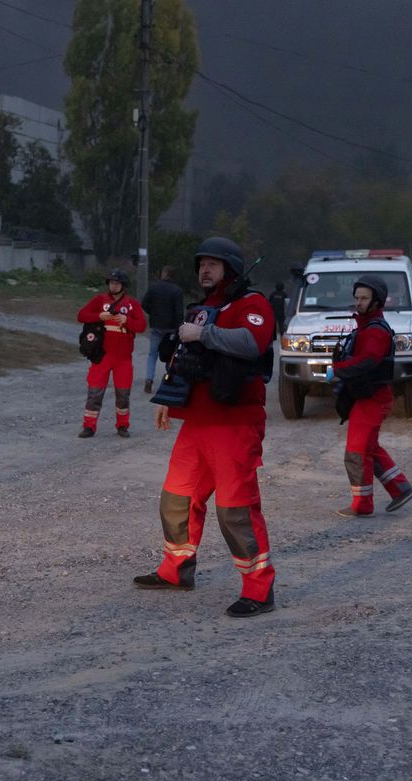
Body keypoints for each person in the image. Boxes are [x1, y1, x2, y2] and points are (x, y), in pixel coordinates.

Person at [134, 237, 277, 618]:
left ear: (231, 270)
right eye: (201, 265)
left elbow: (251, 342)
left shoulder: (253, 305)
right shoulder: (200, 310)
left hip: (235, 425)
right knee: (176, 499)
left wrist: (205, 335)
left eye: (213, 264)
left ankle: (259, 589)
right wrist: (168, 396)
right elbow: (184, 358)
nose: (205, 270)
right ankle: (176, 569)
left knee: (236, 511)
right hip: (196, 422)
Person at [331, 274, 412, 517]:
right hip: (367, 396)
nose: (358, 302)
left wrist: (336, 370)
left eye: (364, 298)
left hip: (373, 398)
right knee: (368, 447)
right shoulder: (366, 327)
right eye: (356, 297)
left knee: (356, 450)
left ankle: (362, 505)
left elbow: (368, 361)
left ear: (377, 301)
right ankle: (400, 487)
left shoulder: (375, 331)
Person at [76, 269, 147, 438]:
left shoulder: (132, 304)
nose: (113, 285)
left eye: (117, 283)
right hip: (102, 356)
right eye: (111, 282)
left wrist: (127, 321)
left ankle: (122, 425)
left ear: (123, 285)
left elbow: (142, 326)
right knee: (95, 392)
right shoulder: (99, 300)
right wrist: (99, 315)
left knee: (123, 395)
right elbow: (81, 315)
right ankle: (89, 426)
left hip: (123, 359)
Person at [140, 266, 184, 394]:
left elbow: (144, 303)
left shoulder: (154, 287)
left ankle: (149, 379)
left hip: (156, 325)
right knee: (171, 355)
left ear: (164, 273)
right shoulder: (177, 290)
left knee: (152, 354)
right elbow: (179, 312)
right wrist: (178, 328)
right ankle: (169, 378)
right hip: (171, 328)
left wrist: (152, 313)